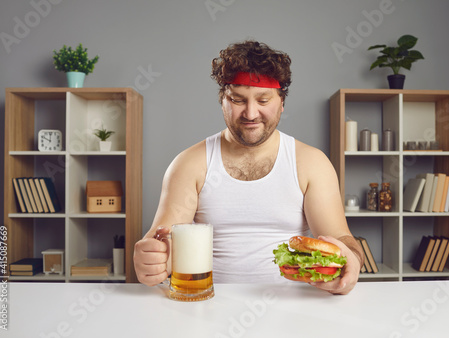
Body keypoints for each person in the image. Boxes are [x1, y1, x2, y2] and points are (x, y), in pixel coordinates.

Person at [133, 40, 364, 295]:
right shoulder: (189, 164)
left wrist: (351, 260)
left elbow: (341, 240)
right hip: (207, 305)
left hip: (293, 308)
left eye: (263, 100)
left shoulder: (312, 163)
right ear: (223, 100)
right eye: (238, 99)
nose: (251, 113)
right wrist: (151, 260)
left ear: (282, 102)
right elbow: (163, 242)